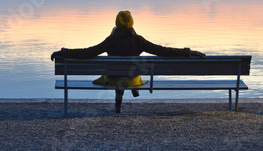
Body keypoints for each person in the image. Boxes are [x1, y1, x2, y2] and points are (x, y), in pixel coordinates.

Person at [51, 10, 205, 113]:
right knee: (129, 69)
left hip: (112, 78)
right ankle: (133, 88)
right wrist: (188, 52)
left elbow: (88, 52)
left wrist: (64, 52)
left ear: (117, 23)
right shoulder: (138, 40)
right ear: (132, 23)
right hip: (132, 78)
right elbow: (162, 50)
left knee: (118, 70)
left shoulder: (111, 40)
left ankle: (118, 103)